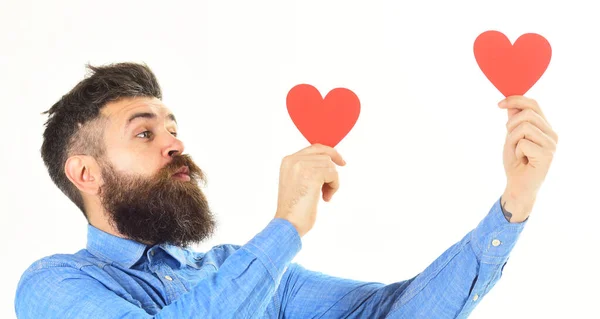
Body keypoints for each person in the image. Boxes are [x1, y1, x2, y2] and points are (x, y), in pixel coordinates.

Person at [14, 62, 558, 318]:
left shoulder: (243, 271)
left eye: (174, 128)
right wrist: (284, 228)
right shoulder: (52, 284)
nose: (175, 144)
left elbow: (392, 313)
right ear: (85, 173)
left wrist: (515, 203)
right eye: (144, 132)